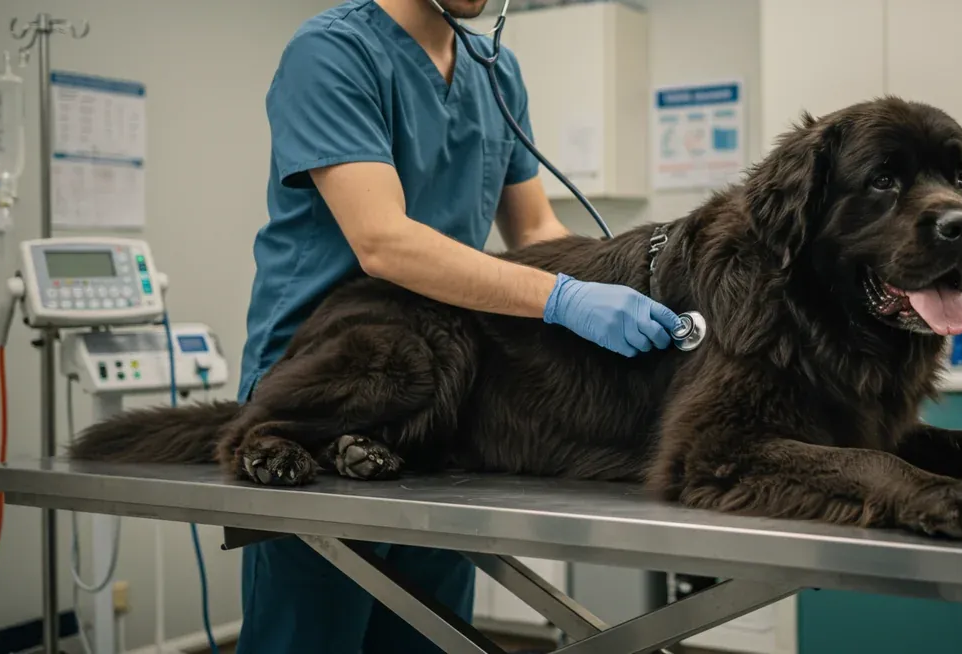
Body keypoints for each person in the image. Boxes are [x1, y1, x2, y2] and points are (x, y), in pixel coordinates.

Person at [233, 0, 683, 651]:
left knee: (428, 635)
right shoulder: (331, 53)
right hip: (329, 391)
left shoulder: (495, 74)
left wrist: (616, 286)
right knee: (312, 635)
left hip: (440, 408)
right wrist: (563, 298)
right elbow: (382, 242)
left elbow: (534, 230)